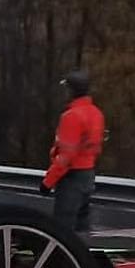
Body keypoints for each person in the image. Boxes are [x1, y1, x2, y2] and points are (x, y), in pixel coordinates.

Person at [40, 68, 104, 233]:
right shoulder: (96, 114)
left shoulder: (71, 117)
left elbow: (66, 156)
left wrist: (48, 182)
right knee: (82, 226)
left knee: (63, 229)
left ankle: (59, 259)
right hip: (88, 175)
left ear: (71, 90)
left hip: (71, 178)